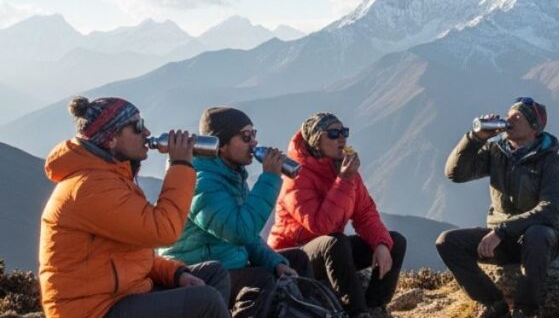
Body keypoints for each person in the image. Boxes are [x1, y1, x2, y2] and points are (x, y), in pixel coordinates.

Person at [39, 96, 231, 318]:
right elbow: (164, 230)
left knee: (213, 274)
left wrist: (177, 275)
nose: (147, 132)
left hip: (120, 294)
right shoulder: (91, 188)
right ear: (111, 139)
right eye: (137, 127)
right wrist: (181, 165)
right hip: (94, 310)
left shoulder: (111, 177)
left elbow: (134, 257)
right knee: (204, 301)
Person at [160, 107, 311, 316]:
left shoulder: (232, 174)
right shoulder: (201, 180)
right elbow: (239, 231)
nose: (254, 143)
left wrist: (274, 262)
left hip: (230, 261)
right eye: (246, 136)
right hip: (198, 270)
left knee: (295, 261)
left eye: (254, 134)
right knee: (261, 280)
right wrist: (269, 178)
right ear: (221, 145)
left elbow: (249, 238)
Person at [436, 96, 559, 318]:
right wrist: (475, 138)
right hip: (502, 238)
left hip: (540, 239)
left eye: (517, 117)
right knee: (447, 242)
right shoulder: (496, 152)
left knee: (536, 234)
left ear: (533, 128)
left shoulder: (552, 162)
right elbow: (455, 174)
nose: (509, 120)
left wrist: (501, 230)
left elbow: (550, 210)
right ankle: (493, 304)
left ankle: (525, 310)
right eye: (508, 114)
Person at [268, 112, 406, 318]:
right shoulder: (297, 175)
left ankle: (375, 306)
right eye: (333, 133)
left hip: (330, 250)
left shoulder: (342, 168)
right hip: (292, 256)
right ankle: (357, 312)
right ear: (316, 140)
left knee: (394, 241)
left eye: (344, 132)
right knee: (334, 242)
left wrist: (381, 243)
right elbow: (320, 226)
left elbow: (365, 212)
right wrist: (344, 180)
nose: (342, 138)